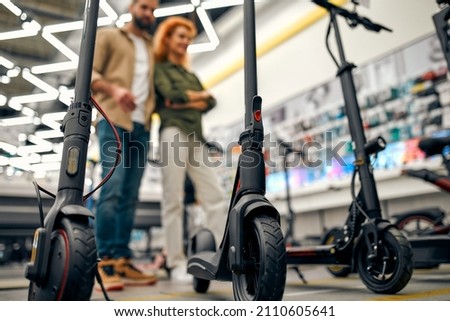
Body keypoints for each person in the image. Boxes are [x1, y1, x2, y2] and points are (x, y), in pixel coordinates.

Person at [90, 0, 159, 291]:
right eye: (144, 7)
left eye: (153, 9)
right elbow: (89, 75)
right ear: (131, 6)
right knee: (114, 187)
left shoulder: (152, 49)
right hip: (113, 119)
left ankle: (121, 257)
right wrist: (115, 89)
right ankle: (103, 259)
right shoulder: (108, 36)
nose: (148, 14)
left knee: (131, 195)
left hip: (142, 126)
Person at [153, 16, 227, 282]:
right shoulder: (160, 68)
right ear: (168, 40)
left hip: (197, 138)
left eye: (188, 38)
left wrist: (186, 100)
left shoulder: (190, 74)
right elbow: (172, 97)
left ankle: (222, 254)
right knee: (172, 199)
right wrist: (196, 98)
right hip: (172, 132)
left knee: (216, 196)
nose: (185, 42)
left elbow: (211, 102)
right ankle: (175, 262)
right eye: (180, 36)